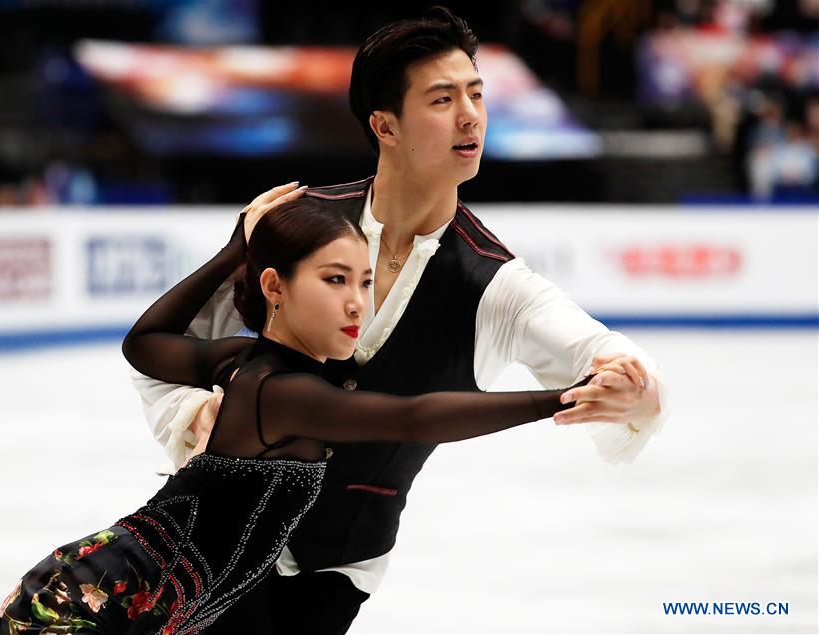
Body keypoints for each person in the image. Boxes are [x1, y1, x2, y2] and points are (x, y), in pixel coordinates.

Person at [132, 7, 669, 635]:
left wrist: (634, 385)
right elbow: (163, 350)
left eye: (476, 94)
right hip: (207, 532)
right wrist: (188, 415)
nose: (470, 115)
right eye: (442, 99)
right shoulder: (299, 228)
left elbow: (605, 355)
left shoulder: (495, 284)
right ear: (384, 124)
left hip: (339, 564)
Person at [0, 199, 597, 635]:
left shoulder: (243, 362)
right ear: (275, 286)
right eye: (334, 280)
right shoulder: (276, 389)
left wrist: (231, 253)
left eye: (363, 281)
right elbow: (416, 417)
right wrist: (558, 396)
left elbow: (146, 341)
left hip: (159, 609)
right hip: (107, 596)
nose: (357, 301)